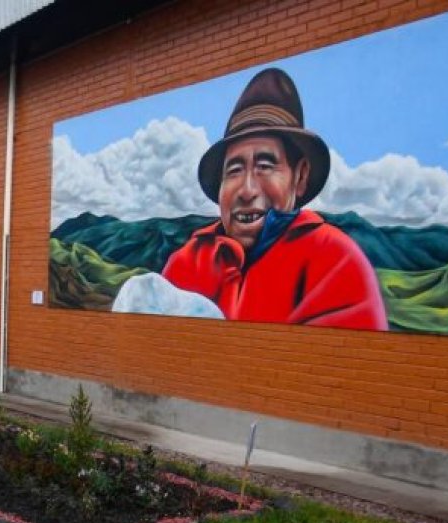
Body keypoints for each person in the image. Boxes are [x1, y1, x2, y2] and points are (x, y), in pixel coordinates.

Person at [161, 67, 387, 329]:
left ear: (299, 176)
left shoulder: (336, 261)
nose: (247, 190)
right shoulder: (188, 261)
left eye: (265, 166)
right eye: (233, 170)